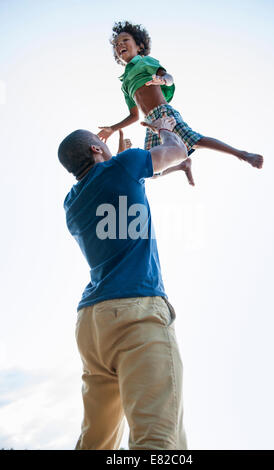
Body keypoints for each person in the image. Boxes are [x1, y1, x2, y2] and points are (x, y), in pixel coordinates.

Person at [58, 115, 189, 450]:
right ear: (94, 148)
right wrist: (165, 128)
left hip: (92, 327)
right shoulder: (125, 166)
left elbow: (120, 185)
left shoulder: (72, 204)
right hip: (136, 313)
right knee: (157, 440)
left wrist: (124, 158)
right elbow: (176, 150)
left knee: (95, 442)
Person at [98, 20, 263, 186]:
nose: (120, 46)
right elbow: (134, 116)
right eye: (116, 45)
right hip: (150, 123)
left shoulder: (144, 61)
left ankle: (242, 154)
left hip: (163, 112)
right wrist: (112, 128)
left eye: (125, 40)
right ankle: (183, 165)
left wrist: (162, 80)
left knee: (195, 141)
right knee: (151, 170)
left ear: (139, 46)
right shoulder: (125, 83)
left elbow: (169, 78)